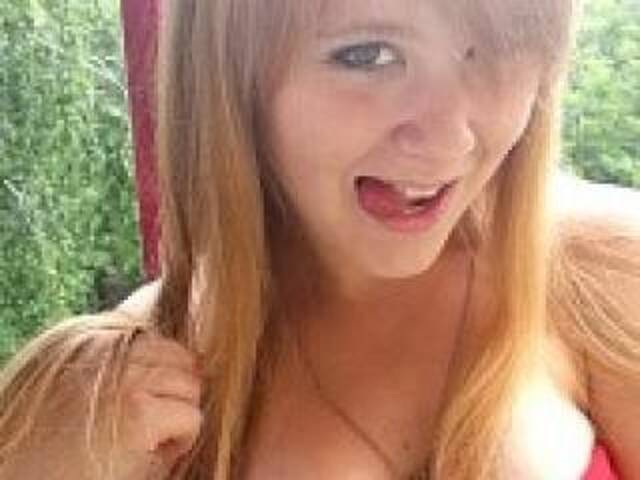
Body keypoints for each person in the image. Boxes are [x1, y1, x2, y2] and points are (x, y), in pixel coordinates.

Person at [1, 0, 639, 478]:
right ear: (230, 72)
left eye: (498, 47)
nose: (453, 138)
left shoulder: (602, 269)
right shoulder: (108, 388)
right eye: (367, 55)